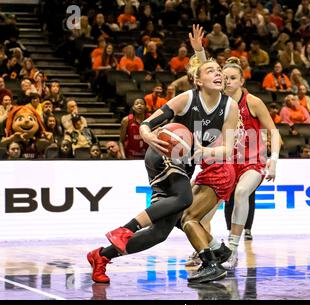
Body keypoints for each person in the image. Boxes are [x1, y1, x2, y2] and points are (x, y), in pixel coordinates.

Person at [87, 29, 239, 284]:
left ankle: (101, 256)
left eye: (220, 72)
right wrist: (145, 134)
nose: (218, 74)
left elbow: (229, 149)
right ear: (199, 80)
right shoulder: (187, 98)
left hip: (185, 162)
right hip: (162, 153)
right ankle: (127, 230)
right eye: (211, 71)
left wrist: (205, 152)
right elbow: (148, 122)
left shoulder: (229, 108)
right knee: (184, 197)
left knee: (159, 232)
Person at [187, 25, 281, 271]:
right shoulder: (219, 101)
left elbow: (274, 131)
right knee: (204, 212)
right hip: (226, 163)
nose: (226, 80)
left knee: (241, 193)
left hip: (253, 163)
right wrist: (200, 52)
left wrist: (274, 159)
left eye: (231, 77)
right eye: (223, 76)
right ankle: (205, 249)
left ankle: (233, 248)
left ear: (241, 80)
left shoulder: (254, 102)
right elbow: (206, 73)